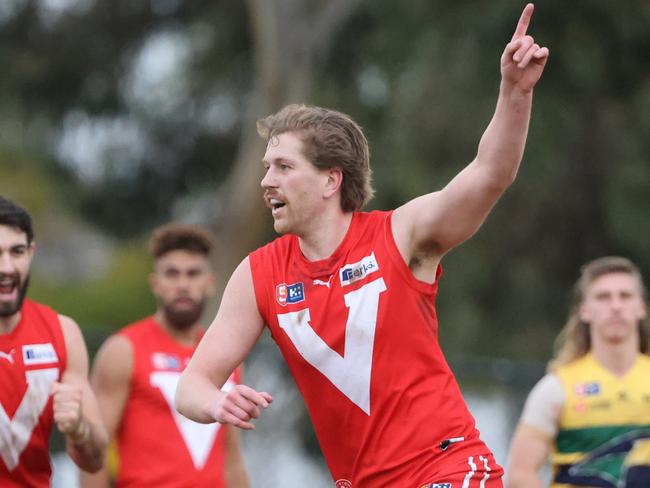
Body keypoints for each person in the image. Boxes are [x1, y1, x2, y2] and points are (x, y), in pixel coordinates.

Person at [175, 3, 548, 486]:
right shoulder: (259, 274)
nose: (266, 181)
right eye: (267, 167)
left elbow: (489, 174)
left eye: (284, 168)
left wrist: (514, 92)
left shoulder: (401, 234)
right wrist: (216, 401)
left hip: (447, 467)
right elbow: (191, 386)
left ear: (332, 180)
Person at [80, 223, 249, 487]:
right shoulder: (123, 349)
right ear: (156, 284)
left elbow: (232, 458)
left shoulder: (227, 355)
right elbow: (94, 451)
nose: (183, 284)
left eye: (193, 274)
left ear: (210, 283)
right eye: (172, 274)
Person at [507, 256, 650, 488]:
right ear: (585, 311)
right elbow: (520, 474)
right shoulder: (556, 388)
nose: (615, 306)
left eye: (625, 296)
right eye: (603, 297)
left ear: (641, 307)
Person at [0, 196, 108, 487]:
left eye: (17, 251)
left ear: (31, 253)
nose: (6, 267)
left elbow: (96, 458)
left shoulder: (62, 332)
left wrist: (79, 430)